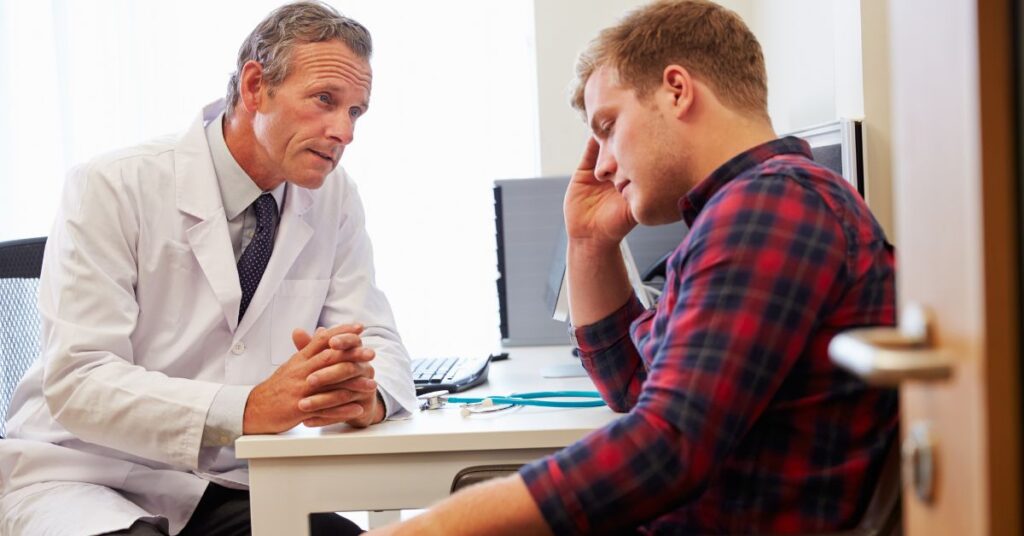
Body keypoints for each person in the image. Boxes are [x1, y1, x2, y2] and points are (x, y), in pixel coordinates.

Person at [370, 1, 897, 534]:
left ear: (676, 90)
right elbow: (634, 387)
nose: (600, 165)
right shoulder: (749, 208)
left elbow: (667, 443)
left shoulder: (772, 204)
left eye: (608, 126)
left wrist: (431, 529)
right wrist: (588, 239)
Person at [0, 2, 417, 535]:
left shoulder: (334, 198)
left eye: (356, 111)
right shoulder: (111, 186)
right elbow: (79, 381)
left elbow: (374, 335)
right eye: (324, 101)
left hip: (221, 482)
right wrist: (247, 408)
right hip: (81, 473)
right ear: (253, 87)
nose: (344, 131)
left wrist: (366, 394)